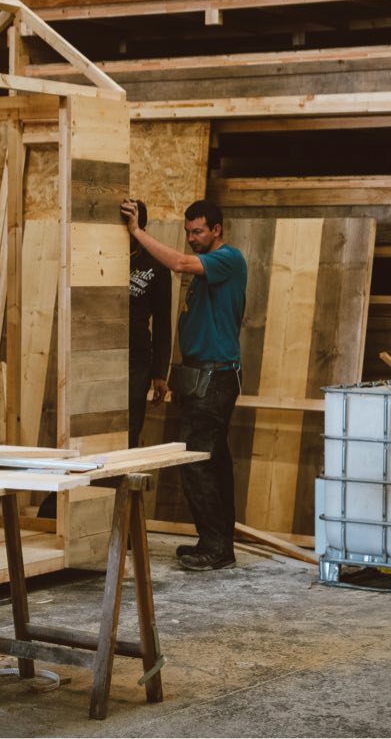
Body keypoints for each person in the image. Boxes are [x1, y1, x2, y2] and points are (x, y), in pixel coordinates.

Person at [120, 197, 246, 571]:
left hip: (216, 377)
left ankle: (215, 547)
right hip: (201, 375)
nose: (191, 238)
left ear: (217, 230)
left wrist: (137, 232)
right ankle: (219, 542)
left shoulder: (228, 259)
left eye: (198, 232)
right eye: (188, 232)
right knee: (213, 461)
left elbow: (176, 263)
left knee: (196, 462)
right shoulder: (207, 266)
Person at [126, 199, 171, 448]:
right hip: (99, 353)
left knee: (130, 425)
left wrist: (160, 373)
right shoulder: (98, 256)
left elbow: (163, 321)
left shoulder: (156, 264)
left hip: (136, 358)